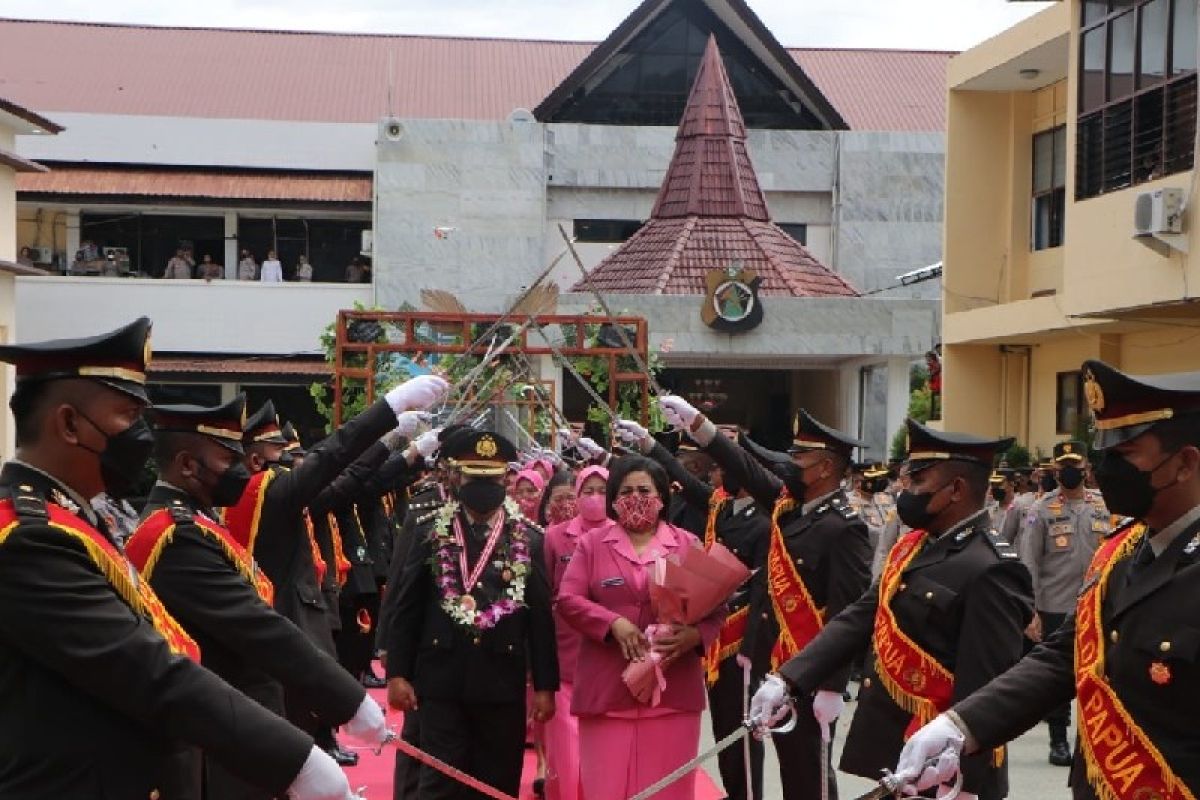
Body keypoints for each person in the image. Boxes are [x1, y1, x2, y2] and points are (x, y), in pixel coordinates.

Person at [0, 316, 353, 800]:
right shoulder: (28, 538)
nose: (140, 437)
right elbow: (146, 669)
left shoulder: (74, 519)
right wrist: (295, 760)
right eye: (126, 417)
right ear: (68, 423)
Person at [896, 360, 1200, 799]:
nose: (1104, 470)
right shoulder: (1124, 550)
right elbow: (1064, 657)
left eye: (1123, 456)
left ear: (1185, 464)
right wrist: (961, 726)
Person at [751, 419, 1034, 800]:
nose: (906, 489)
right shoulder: (915, 546)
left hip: (943, 772)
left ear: (956, 489)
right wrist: (789, 679)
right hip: (900, 755)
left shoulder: (992, 568)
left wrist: (965, 781)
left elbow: (985, 688)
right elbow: (860, 616)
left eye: (918, 480)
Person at [126, 394, 389, 799]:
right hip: (225, 742)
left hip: (246, 726)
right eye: (227, 458)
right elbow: (258, 628)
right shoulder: (175, 537)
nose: (242, 469)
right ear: (186, 465)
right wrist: (348, 701)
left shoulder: (197, 522)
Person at [223, 374, 448, 760]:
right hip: (285, 618)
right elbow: (333, 458)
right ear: (256, 460)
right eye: (281, 458)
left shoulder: (269, 491)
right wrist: (389, 412)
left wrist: (395, 445)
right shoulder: (265, 492)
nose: (293, 468)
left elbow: (347, 476)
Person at [662, 398, 872, 800]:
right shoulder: (793, 508)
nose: (790, 464)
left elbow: (849, 610)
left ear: (825, 468)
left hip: (812, 666)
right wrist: (700, 427)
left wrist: (833, 685)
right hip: (777, 663)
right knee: (789, 759)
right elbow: (746, 471)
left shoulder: (844, 527)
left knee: (810, 770)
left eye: (800, 458)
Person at [384, 428, 559, 800]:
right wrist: (397, 673)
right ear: (457, 477)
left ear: (506, 479)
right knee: (439, 782)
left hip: (501, 680)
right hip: (440, 680)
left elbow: (540, 619)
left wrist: (545, 685)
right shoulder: (431, 529)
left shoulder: (529, 538)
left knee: (497, 782)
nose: (484, 486)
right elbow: (407, 606)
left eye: (492, 478)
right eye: (475, 477)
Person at [617, 418, 770, 800]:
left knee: (742, 733)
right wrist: (650, 446)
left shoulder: (767, 519)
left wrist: (754, 648)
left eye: (726, 466)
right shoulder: (725, 507)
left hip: (741, 638)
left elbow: (761, 590)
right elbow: (682, 478)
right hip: (715, 634)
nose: (719, 473)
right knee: (724, 730)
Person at [557, 455, 726, 800]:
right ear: (614, 499)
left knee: (668, 791)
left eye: (645, 490)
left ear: (662, 496)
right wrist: (612, 623)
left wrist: (694, 636)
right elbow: (567, 599)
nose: (637, 497)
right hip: (607, 690)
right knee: (605, 789)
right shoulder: (591, 545)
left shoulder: (686, 543)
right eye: (627, 490)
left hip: (672, 692)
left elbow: (716, 607)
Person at [1016, 439, 1112, 767]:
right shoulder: (1040, 510)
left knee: (1097, 674)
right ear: (1055, 472)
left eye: (1076, 466)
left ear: (1086, 469)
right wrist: (1031, 610)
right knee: (1061, 674)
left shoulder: (1103, 506)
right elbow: (1029, 562)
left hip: (1096, 603)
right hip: (1055, 605)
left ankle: (1091, 738)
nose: (1070, 472)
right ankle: (1059, 739)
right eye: (1064, 467)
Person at [542, 465, 607, 800]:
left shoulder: (622, 533)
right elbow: (544, 592)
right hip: (564, 655)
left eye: (602, 490)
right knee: (566, 753)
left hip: (608, 657)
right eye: (588, 490)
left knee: (603, 754)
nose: (595, 498)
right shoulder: (555, 536)